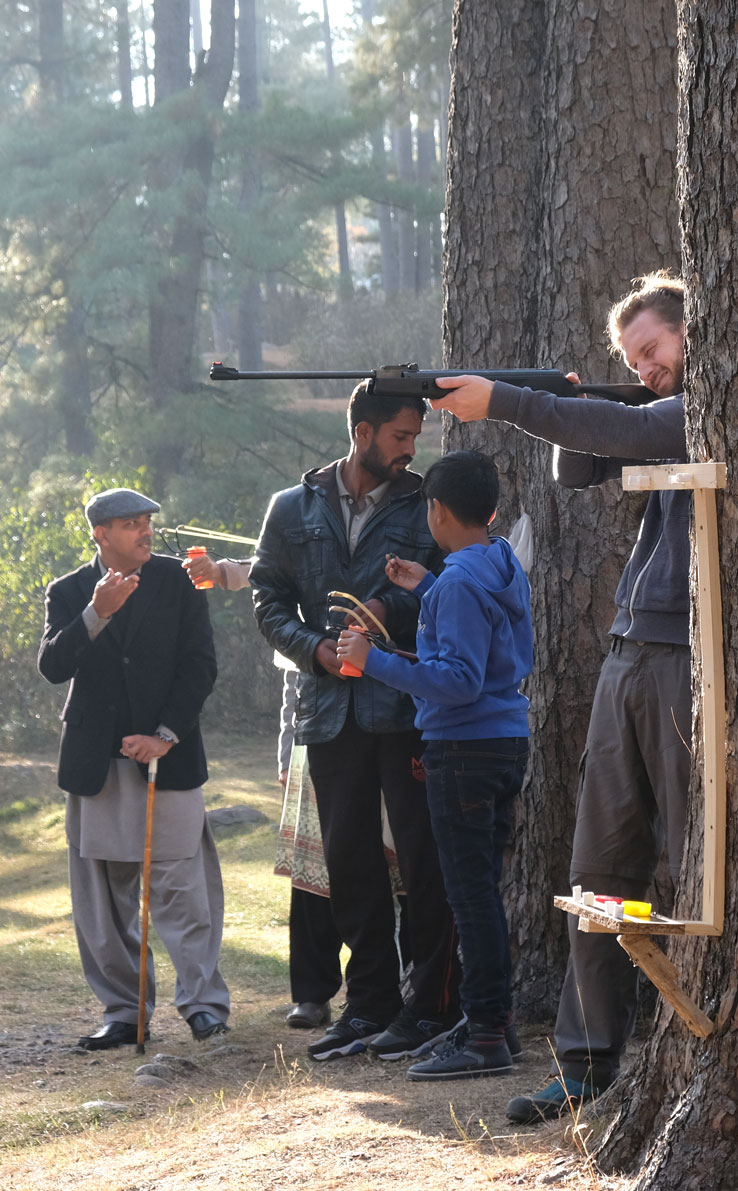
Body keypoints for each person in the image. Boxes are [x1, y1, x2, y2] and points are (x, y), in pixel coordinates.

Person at [426, 271, 692, 1122]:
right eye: (632, 359)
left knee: (691, 858)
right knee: (600, 865)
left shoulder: (713, 401)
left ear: (694, 334)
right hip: (630, 645)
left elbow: (629, 428)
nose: (646, 368)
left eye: (652, 350)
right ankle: (585, 1060)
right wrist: (562, 401)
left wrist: (505, 400)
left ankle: (687, 1040)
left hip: (690, 656)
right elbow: (582, 462)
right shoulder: (652, 411)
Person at [251, 385, 461, 1062]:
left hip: (405, 707)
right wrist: (312, 650)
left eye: (415, 439)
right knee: (348, 863)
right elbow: (267, 595)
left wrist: (384, 617)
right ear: (363, 431)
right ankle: (368, 1002)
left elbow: (441, 581)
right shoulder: (290, 508)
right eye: (401, 437)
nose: (410, 451)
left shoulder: (425, 501)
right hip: (325, 710)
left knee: (424, 859)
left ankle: (431, 1006)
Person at [338, 450, 534, 1081]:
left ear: (437, 511)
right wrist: (423, 586)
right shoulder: (499, 561)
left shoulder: (455, 583)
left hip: (463, 751)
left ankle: (482, 1036)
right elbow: (482, 629)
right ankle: (494, 1021)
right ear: (492, 511)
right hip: (505, 743)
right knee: (482, 892)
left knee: (469, 897)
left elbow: (456, 680)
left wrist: (374, 661)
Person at [38, 488, 230, 1049]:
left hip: (166, 757)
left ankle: (203, 1006)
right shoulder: (69, 591)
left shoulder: (178, 580)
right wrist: (96, 613)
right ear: (100, 533)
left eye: (147, 522)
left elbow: (200, 665)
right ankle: (125, 1013)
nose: (145, 531)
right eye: (130, 524)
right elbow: (53, 666)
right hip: (95, 762)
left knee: (183, 889)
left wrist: (165, 735)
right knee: (103, 901)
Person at [185, 552, 345, 1031]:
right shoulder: (300, 547)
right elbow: (292, 689)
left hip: (382, 734)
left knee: (381, 871)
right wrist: (284, 754)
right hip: (312, 740)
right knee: (312, 875)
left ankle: (382, 990)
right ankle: (312, 993)